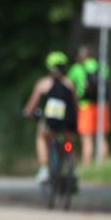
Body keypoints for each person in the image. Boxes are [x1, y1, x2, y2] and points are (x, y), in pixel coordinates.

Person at [23, 51, 79, 184]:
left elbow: (32, 105)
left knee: (42, 136)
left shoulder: (44, 83)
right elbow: (76, 105)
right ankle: (73, 167)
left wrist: (27, 113)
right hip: (67, 121)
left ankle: (44, 169)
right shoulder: (70, 84)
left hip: (51, 121)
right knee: (69, 141)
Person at [68, 45, 110, 164]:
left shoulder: (77, 68)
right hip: (102, 105)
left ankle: (87, 166)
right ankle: (105, 165)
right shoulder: (102, 67)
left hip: (85, 106)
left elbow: (70, 85)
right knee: (101, 137)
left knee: (87, 138)